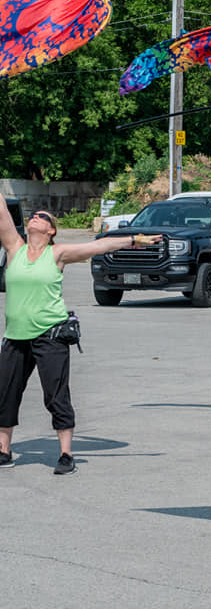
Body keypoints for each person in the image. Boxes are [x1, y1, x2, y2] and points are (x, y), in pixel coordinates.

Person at [0, 197, 160, 473]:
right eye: (33, 215)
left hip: (50, 334)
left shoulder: (58, 254)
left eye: (43, 216)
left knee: (55, 395)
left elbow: (98, 246)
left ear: (51, 230)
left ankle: (65, 455)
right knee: (5, 393)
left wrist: (133, 240)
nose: (35, 217)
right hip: (15, 336)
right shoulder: (14, 248)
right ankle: (4, 451)